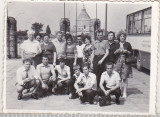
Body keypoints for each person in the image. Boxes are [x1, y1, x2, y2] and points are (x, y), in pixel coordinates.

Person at [114, 30, 133, 98]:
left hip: (126, 62)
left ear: (125, 37)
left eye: (123, 36)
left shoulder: (128, 44)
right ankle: (119, 91)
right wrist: (117, 51)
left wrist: (126, 51)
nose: (122, 37)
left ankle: (124, 92)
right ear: (119, 37)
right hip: (118, 62)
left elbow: (131, 52)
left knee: (124, 78)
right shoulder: (116, 44)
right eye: (121, 36)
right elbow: (114, 53)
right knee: (118, 77)